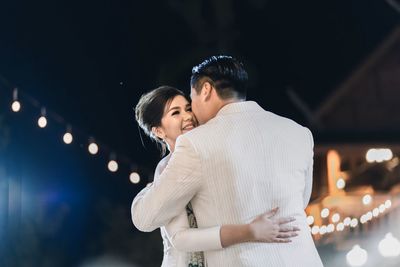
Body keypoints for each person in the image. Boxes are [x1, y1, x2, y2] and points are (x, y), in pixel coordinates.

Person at [132, 56, 323, 266]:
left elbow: (145, 218)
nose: (191, 113)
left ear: (205, 90)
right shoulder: (299, 133)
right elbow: (302, 200)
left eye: (190, 103)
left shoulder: (196, 144)